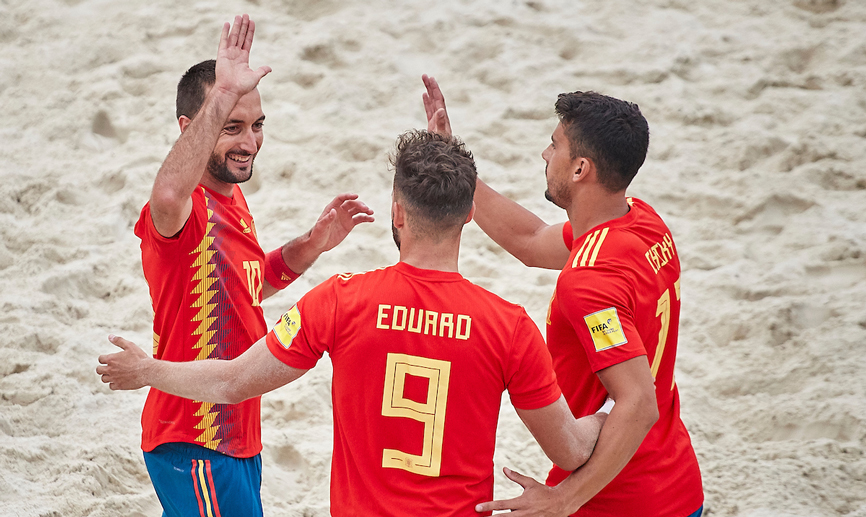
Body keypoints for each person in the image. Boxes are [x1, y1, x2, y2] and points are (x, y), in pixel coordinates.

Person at [98, 130, 612, 516]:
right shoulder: (510, 326)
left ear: (398, 213)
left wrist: (150, 371)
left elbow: (231, 381)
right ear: (469, 216)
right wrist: (616, 407)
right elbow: (568, 447)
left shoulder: (342, 300)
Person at [421, 75, 704, 517]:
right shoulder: (643, 223)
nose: (545, 154)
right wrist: (457, 166)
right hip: (676, 484)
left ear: (580, 169)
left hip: (617, 500)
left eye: (555, 145)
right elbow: (531, 240)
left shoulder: (589, 281)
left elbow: (639, 403)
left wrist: (563, 500)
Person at [131, 14, 374, 517]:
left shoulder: (231, 197)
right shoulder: (188, 209)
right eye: (231, 127)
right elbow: (169, 192)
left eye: (257, 125)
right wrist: (221, 94)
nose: (249, 143)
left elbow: (245, 286)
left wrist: (311, 244)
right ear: (190, 128)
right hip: (195, 437)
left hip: (236, 431)